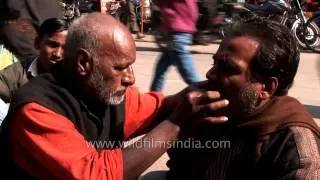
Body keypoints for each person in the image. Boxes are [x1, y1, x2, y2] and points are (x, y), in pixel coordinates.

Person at [0, 13, 229, 179]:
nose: (130, 78)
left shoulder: (100, 91)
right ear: (83, 63)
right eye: (120, 67)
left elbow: (159, 107)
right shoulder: (37, 108)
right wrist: (175, 126)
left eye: (131, 66)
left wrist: (207, 88)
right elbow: (96, 175)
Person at [166, 16, 320, 179]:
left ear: (266, 88)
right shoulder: (205, 110)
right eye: (214, 64)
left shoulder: (296, 148)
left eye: (227, 68)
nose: (210, 74)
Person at [0, 18, 68, 123]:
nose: (58, 54)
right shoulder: (18, 73)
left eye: (65, 48)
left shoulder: (75, 77)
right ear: (37, 43)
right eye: (52, 45)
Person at [150, 0, 201, 92]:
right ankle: (153, 97)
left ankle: (207, 95)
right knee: (160, 70)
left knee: (190, 77)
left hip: (177, 34)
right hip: (180, 32)